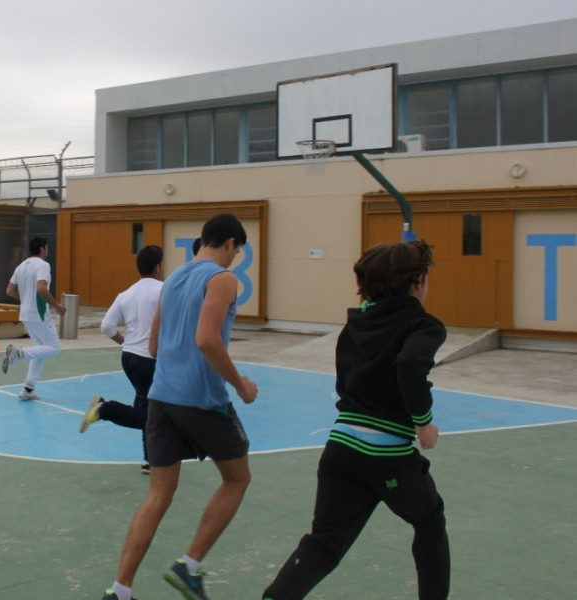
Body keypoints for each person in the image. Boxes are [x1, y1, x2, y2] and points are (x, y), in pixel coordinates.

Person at [261, 239, 449, 600]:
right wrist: (423, 422)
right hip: (387, 458)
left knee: (325, 542)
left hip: (340, 452)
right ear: (419, 281)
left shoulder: (356, 323)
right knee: (430, 521)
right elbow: (410, 365)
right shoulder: (424, 325)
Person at [100, 213, 258, 600]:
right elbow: (207, 340)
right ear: (232, 244)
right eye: (237, 251)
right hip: (201, 400)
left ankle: (120, 590)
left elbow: (153, 347)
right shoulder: (223, 280)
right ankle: (189, 566)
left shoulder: (171, 282)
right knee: (238, 478)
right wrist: (240, 385)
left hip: (161, 398)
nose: (235, 258)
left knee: (158, 496)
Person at [79, 245, 164, 475]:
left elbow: (107, 326)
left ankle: (149, 459)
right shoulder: (164, 290)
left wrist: (125, 342)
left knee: (145, 402)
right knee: (155, 413)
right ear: (158, 267)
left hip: (128, 357)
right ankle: (104, 409)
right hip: (151, 359)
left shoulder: (126, 294)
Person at [2, 236, 66, 400]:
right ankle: (18, 353)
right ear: (43, 248)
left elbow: (9, 291)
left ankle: (28, 390)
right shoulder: (43, 266)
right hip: (38, 313)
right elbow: (42, 289)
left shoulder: (21, 266)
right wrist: (56, 306)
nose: (48, 251)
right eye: (47, 248)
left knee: (40, 350)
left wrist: (25, 299)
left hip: (25, 313)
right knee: (53, 348)